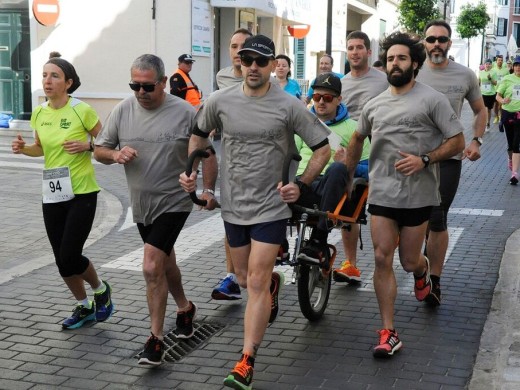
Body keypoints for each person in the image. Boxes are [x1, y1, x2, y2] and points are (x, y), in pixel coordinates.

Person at [179, 34, 331, 389]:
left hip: (272, 206)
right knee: (246, 280)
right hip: (233, 206)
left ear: (271, 65)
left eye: (260, 62)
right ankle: (272, 285)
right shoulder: (219, 100)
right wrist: (197, 178)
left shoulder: (289, 104)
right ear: (241, 63)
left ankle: (246, 360)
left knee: (257, 283)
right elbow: (199, 138)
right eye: (247, 60)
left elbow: (323, 149)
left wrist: (302, 184)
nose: (253, 67)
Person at [345, 31, 465, 358]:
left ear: (415, 63)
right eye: (391, 59)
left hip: (420, 195)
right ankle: (388, 331)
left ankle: (423, 273)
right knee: (382, 257)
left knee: (409, 260)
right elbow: (356, 139)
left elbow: (457, 140)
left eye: (402, 58)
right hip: (382, 194)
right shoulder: (375, 104)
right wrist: (346, 175)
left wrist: (425, 159)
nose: (395, 64)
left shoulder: (432, 99)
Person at [94, 54, 215, 366]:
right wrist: (115, 154)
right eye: (135, 85)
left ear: (163, 82)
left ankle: (155, 339)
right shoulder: (123, 109)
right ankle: (185, 308)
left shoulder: (186, 113)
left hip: (174, 201)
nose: (140, 92)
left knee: (150, 266)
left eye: (148, 86)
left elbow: (207, 152)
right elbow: (100, 150)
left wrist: (206, 188)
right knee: (164, 262)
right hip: (142, 204)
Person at [11, 54, 114, 330]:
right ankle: (84, 306)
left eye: (54, 76)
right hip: (53, 193)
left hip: (82, 192)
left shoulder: (82, 110)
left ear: (68, 83)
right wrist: (24, 150)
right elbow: (41, 149)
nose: (47, 81)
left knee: (70, 254)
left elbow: (105, 143)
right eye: (44, 75)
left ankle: (101, 289)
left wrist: (87, 146)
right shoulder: (39, 112)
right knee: (61, 260)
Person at [416, 19, 486, 307]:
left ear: (449, 42)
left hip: (447, 157)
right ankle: (418, 261)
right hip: (409, 158)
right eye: (431, 39)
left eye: (442, 40)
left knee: (436, 216)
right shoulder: (412, 70)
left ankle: (435, 281)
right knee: (411, 221)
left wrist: (476, 141)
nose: (436, 44)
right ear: (424, 42)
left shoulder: (465, 75)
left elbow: (480, 111)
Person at [294, 72, 370, 267]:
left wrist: (349, 164)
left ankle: (319, 239)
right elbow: (289, 157)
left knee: (337, 168)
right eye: (317, 97)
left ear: (339, 100)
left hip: (333, 189)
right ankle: (278, 243)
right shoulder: (301, 124)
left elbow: (371, 168)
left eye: (327, 98)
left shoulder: (354, 129)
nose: (321, 102)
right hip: (302, 183)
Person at [335, 30, 388, 284]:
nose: (355, 52)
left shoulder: (383, 81)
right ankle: (351, 264)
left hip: (381, 154)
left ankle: (387, 259)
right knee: (349, 208)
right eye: (350, 48)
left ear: (369, 51)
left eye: (359, 47)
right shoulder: (341, 83)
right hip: (353, 154)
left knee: (384, 211)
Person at [211, 28, 252, 301]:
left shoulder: (264, 79)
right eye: (233, 45)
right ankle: (232, 277)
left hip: (261, 163)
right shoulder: (221, 77)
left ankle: (260, 270)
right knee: (230, 219)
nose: (237, 51)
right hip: (230, 161)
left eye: (243, 46)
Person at [496, 55, 520, 184]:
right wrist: (503, 100)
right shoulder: (507, 79)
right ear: (513, 67)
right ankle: (511, 159)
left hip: (519, 114)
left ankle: (514, 174)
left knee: (517, 144)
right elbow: (498, 96)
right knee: (511, 144)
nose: (518, 68)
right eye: (516, 65)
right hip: (507, 113)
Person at [479, 59, 498, 129]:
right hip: (482, 93)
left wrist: (490, 79)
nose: (487, 65)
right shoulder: (481, 72)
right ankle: (484, 123)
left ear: (491, 65)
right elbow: (479, 82)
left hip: (490, 94)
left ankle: (488, 123)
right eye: (486, 64)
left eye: (489, 64)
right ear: (484, 65)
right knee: (484, 109)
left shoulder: (494, 72)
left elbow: (495, 83)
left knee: (488, 109)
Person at [493, 54, 510, 124]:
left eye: (501, 60)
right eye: (499, 60)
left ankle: (500, 116)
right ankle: (496, 116)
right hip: (495, 89)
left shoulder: (506, 70)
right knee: (495, 105)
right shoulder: (493, 70)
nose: (500, 61)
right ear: (496, 61)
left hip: (503, 90)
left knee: (501, 104)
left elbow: (509, 79)